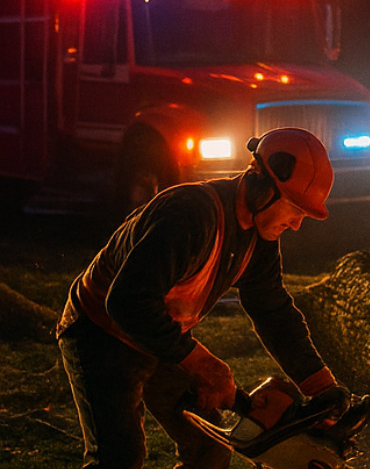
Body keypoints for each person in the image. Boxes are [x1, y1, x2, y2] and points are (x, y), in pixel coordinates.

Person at [57, 127, 348, 469]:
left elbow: (271, 309)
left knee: (208, 449)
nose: (297, 224)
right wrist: (206, 365)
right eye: (295, 209)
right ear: (260, 182)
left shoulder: (260, 236)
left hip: (161, 334)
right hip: (101, 331)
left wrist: (320, 386)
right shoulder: (190, 214)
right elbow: (127, 302)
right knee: (119, 456)